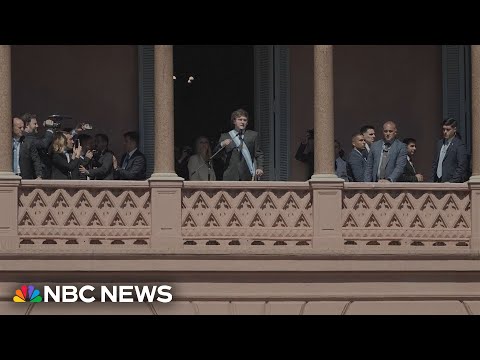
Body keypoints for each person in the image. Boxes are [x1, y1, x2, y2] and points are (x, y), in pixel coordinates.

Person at [216, 109, 264, 181]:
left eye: (245, 120)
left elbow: (258, 154)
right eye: (240, 119)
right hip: (230, 176)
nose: (242, 122)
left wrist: (260, 168)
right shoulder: (225, 136)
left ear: (247, 122)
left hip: (247, 175)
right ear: (234, 121)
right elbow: (217, 155)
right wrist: (222, 144)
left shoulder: (253, 135)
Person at [431, 118, 468, 183]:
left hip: (450, 183)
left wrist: (452, 181)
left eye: (448, 130)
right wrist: (431, 181)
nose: (445, 132)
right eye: (443, 129)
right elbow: (435, 164)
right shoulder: (439, 143)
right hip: (438, 181)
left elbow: (462, 166)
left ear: (454, 130)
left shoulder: (459, 145)